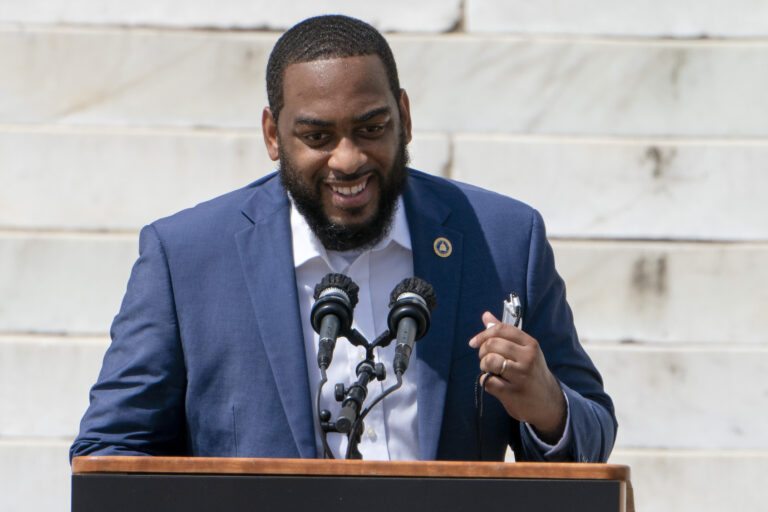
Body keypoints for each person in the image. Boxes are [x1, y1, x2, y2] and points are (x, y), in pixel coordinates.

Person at [70, 15, 616, 463]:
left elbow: (592, 437)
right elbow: (108, 453)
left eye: (371, 128)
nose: (348, 158)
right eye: (317, 136)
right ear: (272, 135)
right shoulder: (185, 258)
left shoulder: (504, 240)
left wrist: (548, 407)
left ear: (403, 117)